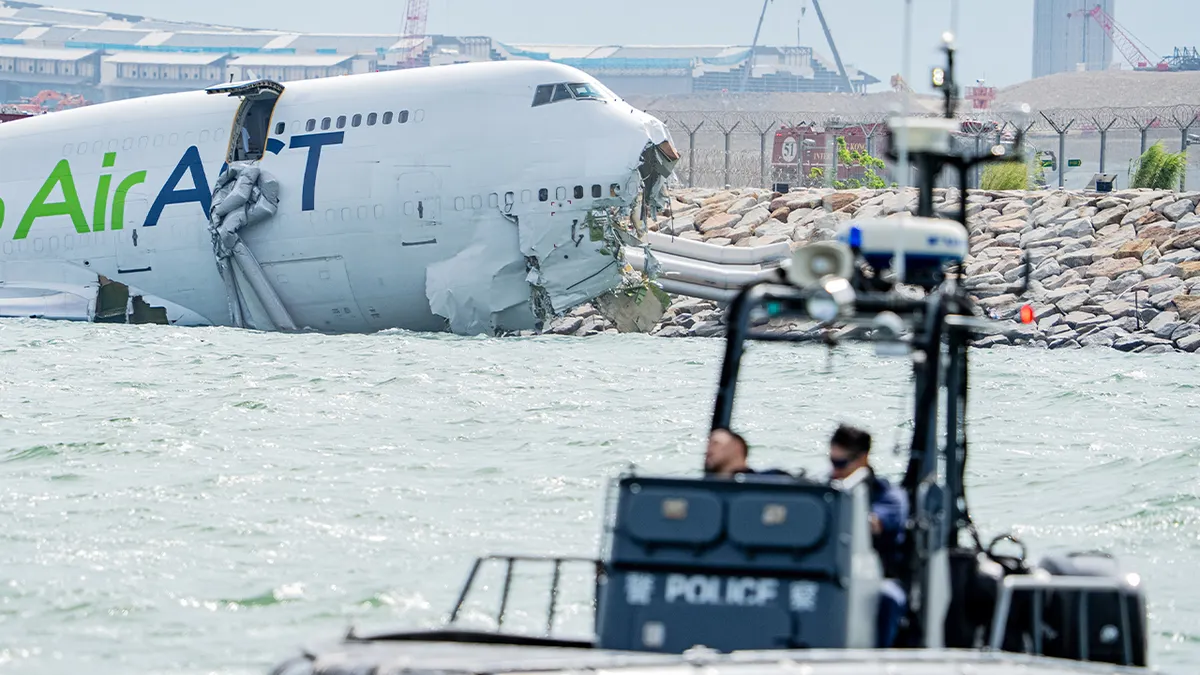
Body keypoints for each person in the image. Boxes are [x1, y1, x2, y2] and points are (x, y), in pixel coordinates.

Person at [828, 424, 909, 648]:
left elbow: (875, 525)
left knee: (888, 597)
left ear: (863, 458)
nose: (835, 470)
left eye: (841, 463)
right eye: (832, 461)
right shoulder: (826, 489)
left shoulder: (889, 497)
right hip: (829, 572)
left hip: (875, 576)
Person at [703, 428, 791, 478]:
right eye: (708, 445)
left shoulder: (773, 479)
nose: (708, 449)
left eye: (715, 443)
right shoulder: (702, 489)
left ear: (736, 447)